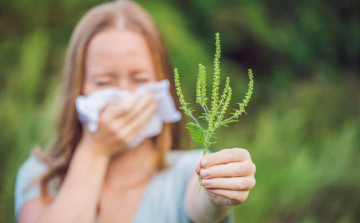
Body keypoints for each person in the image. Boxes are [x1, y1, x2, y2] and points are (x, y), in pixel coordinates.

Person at [14, 1, 256, 222]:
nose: (124, 95)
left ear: (163, 82)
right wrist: (95, 150)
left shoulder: (188, 171)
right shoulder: (41, 177)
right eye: (103, 82)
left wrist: (219, 191)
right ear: (77, 87)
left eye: (139, 79)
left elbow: (203, 201)